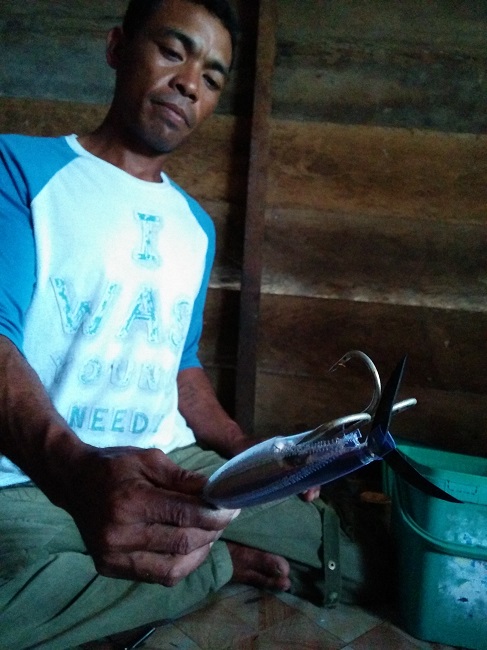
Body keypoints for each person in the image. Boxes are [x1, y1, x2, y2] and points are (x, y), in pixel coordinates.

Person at [0, 1, 372, 647]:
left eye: (212, 77)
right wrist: (78, 472)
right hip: (35, 473)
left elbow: (182, 365)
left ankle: (161, 563)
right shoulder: (21, 169)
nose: (189, 83)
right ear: (117, 48)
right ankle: (212, 568)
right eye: (173, 52)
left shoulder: (194, 225)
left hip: (173, 462)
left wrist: (250, 452)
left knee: (346, 558)